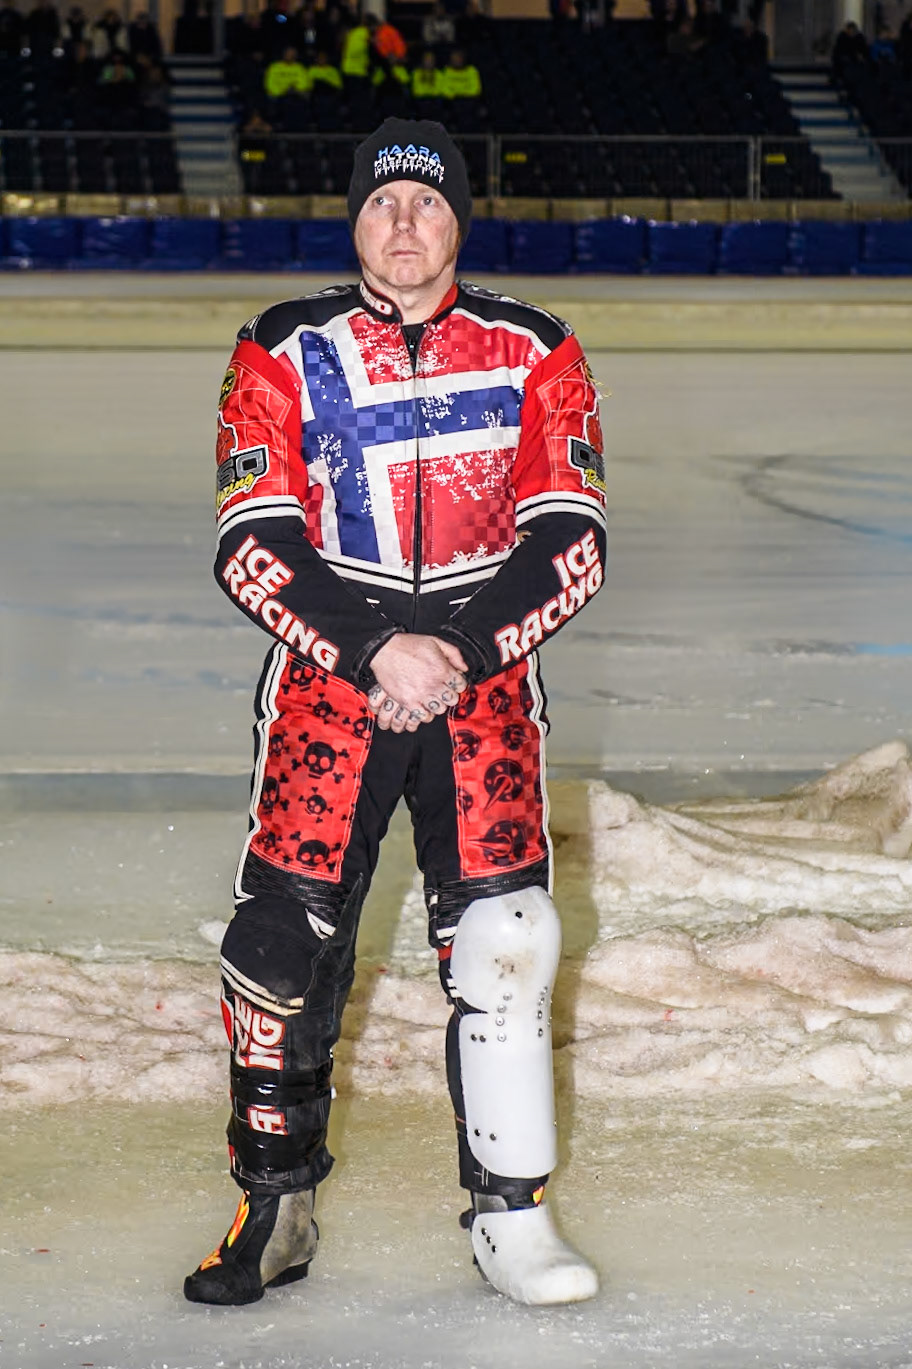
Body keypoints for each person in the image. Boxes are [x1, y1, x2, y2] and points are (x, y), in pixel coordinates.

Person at [184, 117, 605, 1311]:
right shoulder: (277, 348)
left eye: (427, 205)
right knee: (278, 953)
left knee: (509, 943)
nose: (405, 225)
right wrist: (375, 645)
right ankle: (274, 1200)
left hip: (481, 693)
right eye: (383, 204)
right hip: (331, 684)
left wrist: (455, 651)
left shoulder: (537, 350)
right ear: (355, 218)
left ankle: (511, 1215)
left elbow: (571, 539)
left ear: (459, 220)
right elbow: (249, 541)